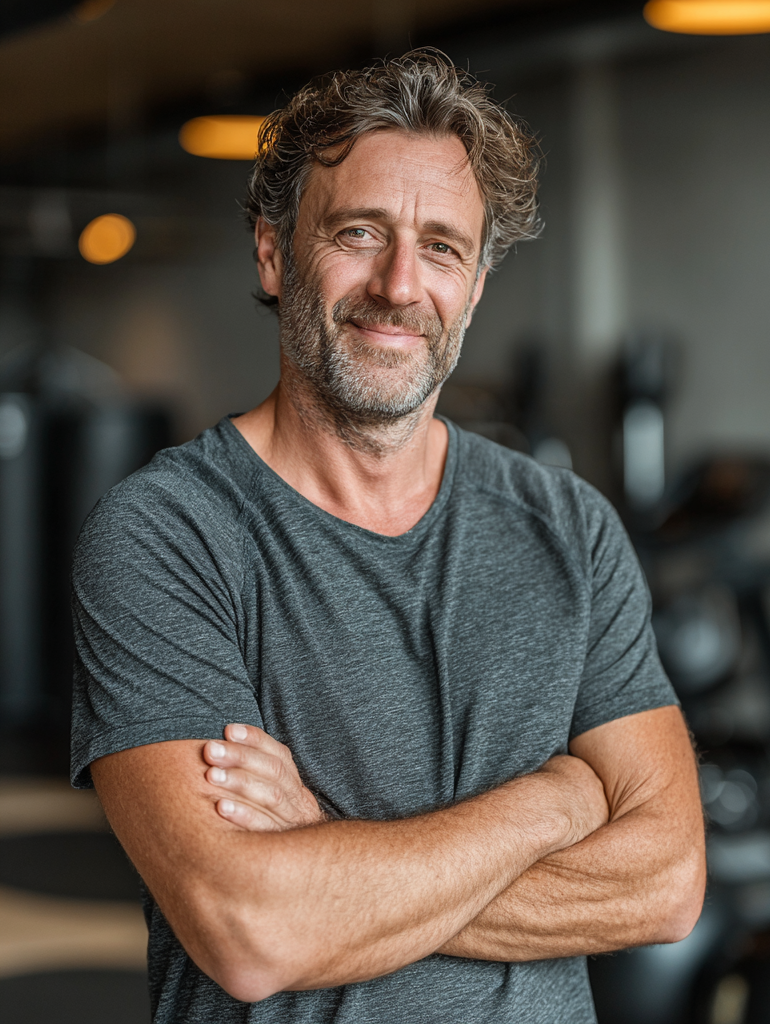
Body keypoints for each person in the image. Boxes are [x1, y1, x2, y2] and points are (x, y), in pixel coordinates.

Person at [71, 50, 705, 1024]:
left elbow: (663, 882)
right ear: (276, 253)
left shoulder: (568, 528)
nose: (400, 283)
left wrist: (330, 847)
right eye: (360, 233)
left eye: (443, 246)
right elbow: (253, 930)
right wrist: (558, 802)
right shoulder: (170, 534)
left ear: (478, 285)